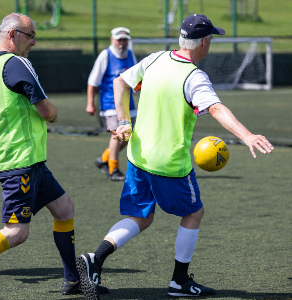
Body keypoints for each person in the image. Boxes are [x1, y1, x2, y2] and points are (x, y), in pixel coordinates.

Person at [76, 14, 274, 299]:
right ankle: (179, 282)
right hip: (169, 164)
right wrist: (247, 136)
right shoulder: (194, 77)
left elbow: (119, 82)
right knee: (194, 212)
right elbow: (217, 109)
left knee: (140, 217)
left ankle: (95, 259)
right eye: (211, 40)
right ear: (203, 42)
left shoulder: (156, 58)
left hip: (138, 158)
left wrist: (122, 121)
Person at [0, 12, 108, 300]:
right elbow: (47, 112)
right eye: (31, 36)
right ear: (12, 35)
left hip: (28, 161)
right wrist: (53, 114)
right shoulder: (17, 64)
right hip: (20, 164)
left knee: (64, 208)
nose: (34, 43)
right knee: (16, 232)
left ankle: (72, 280)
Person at [87, 27, 138, 181]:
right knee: (117, 134)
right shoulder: (105, 55)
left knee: (129, 136)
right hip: (110, 104)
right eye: (119, 40)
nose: (122, 43)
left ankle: (104, 159)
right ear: (112, 40)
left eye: (125, 40)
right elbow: (93, 81)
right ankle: (113, 169)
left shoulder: (130, 54)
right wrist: (90, 103)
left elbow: (137, 77)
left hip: (129, 105)